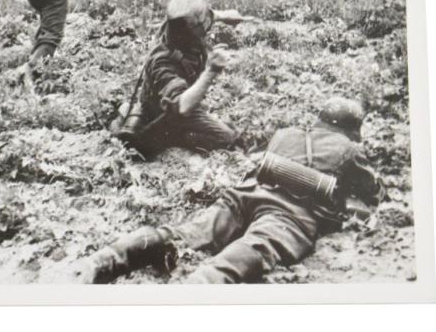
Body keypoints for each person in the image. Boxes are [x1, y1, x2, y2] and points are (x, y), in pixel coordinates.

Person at [79, 97, 384, 284]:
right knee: (254, 248)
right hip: (288, 215)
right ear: (349, 130)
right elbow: (372, 196)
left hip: (244, 196)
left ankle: (105, 259)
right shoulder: (348, 149)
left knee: (184, 234)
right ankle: (198, 288)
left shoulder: (285, 133)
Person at [115, 0, 251, 159]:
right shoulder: (163, 62)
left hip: (181, 100)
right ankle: (177, 138)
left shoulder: (178, 28)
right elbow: (182, 107)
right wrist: (212, 70)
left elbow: (202, 17)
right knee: (230, 139)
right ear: (193, 29)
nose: (209, 26)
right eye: (204, 25)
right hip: (168, 113)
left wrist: (226, 16)